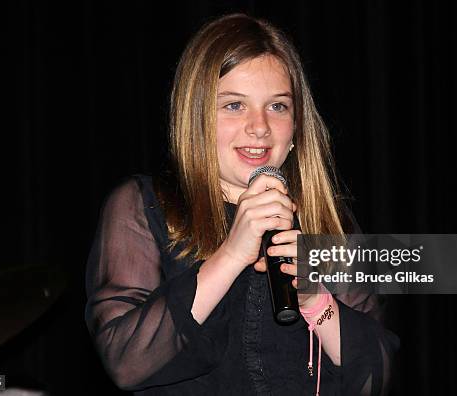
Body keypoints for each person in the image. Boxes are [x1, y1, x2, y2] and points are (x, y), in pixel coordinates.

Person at [85, 13, 398, 396]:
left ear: (297, 124)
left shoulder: (327, 218)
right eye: (234, 105)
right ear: (196, 117)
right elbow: (125, 361)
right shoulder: (143, 207)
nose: (260, 126)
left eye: (278, 106)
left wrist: (316, 301)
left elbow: (376, 378)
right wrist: (232, 254)